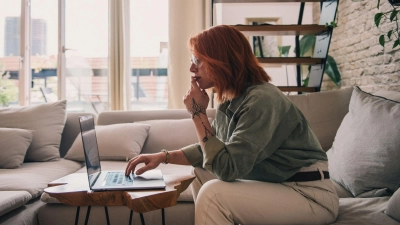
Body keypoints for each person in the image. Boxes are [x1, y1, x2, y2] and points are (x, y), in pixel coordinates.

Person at [125, 25, 339, 225]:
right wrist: (163, 157)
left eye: (198, 60)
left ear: (221, 61)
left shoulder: (262, 100)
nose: (191, 68)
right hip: (279, 185)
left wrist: (198, 114)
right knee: (201, 172)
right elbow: (211, 151)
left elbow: (227, 168)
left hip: (309, 194)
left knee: (213, 195)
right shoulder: (232, 101)